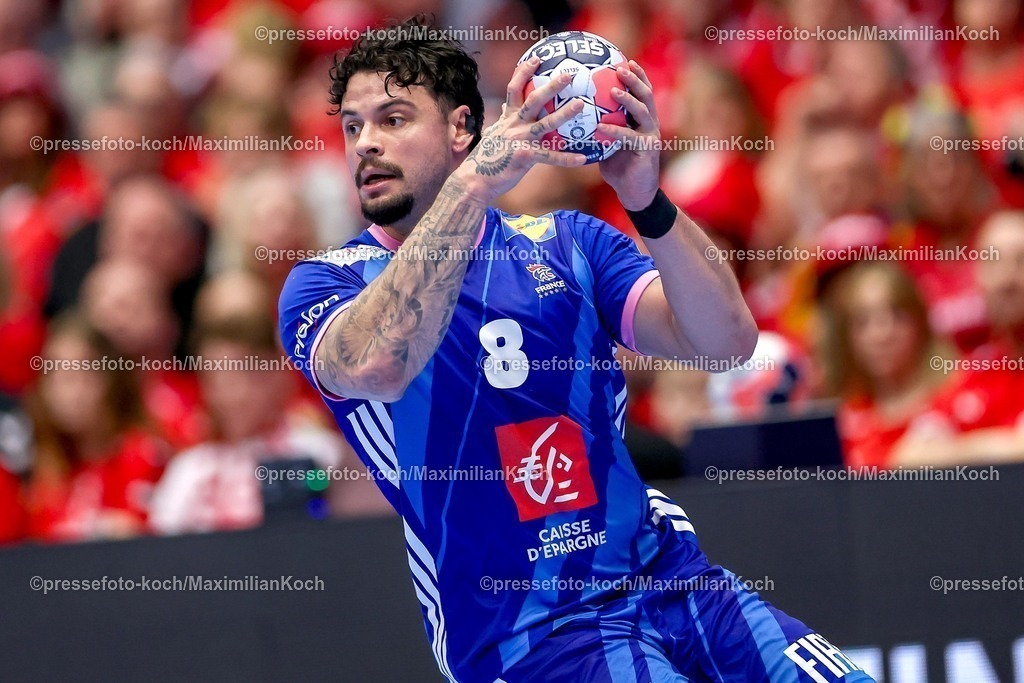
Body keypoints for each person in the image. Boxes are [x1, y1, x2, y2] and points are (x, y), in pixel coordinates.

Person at [279, 18, 874, 683]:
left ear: (461, 129)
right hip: (527, 631)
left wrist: (646, 200)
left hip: (667, 574)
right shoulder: (324, 284)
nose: (367, 144)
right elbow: (375, 364)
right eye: (354, 127)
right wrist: (471, 187)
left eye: (392, 119)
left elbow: (726, 341)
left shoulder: (567, 242)